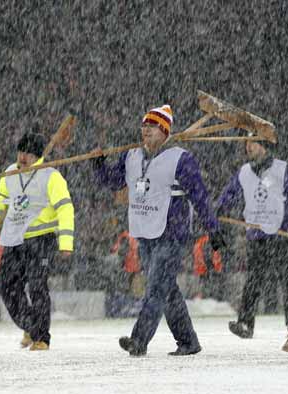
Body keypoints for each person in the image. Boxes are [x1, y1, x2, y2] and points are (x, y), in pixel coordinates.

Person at [92, 105, 225, 357]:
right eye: (143, 127)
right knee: (167, 290)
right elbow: (113, 182)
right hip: (144, 233)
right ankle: (188, 341)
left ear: (164, 131)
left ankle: (138, 340)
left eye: (151, 127)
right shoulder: (131, 156)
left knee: (155, 289)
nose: (145, 131)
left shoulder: (181, 159)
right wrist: (99, 165)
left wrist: (213, 228)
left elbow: (200, 196)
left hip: (171, 234)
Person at [0, 131, 75, 351]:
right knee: (7, 287)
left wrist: (66, 242)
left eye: (27, 153)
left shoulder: (51, 176)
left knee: (37, 287)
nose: (22, 157)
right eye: (20, 152)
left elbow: (65, 207)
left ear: (37, 156)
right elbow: (2, 199)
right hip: (14, 238)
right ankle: (31, 326)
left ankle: (41, 338)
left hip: (41, 239)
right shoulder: (10, 173)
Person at [215, 135, 288, 338]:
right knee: (253, 281)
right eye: (247, 144)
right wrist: (220, 209)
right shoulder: (244, 172)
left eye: (253, 143)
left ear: (264, 147)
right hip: (256, 235)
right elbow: (230, 193)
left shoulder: (281, 169)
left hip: (280, 234)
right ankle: (245, 323)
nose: (248, 147)